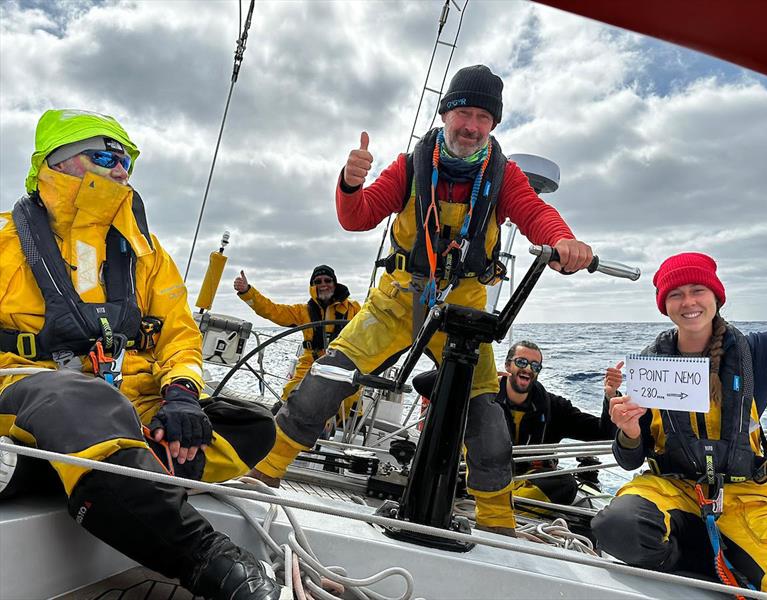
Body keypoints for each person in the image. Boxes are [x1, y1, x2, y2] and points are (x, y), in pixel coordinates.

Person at [256, 64, 594, 536]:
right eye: (463, 113)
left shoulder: (505, 175)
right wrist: (350, 183)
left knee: (484, 415)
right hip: (396, 300)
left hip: (464, 308)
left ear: (493, 125)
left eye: (483, 117)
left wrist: (564, 241)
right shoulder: (411, 165)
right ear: (445, 112)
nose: (472, 127)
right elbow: (357, 218)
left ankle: (498, 525)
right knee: (328, 376)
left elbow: (538, 214)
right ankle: (261, 473)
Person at [0, 109, 280, 599]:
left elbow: (179, 334)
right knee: (79, 400)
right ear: (59, 164)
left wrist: (181, 395)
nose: (121, 168)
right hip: (30, 388)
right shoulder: (5, 243)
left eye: (126, 158)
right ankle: (206, 559)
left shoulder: (146, 254)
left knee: (253, 425)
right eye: (105, 155)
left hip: (128, 404)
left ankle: (85, 472)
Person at [591, 252, 767, 596]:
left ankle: (731, 553)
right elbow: (630, 459)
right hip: (670, 488)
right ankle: (714, 557)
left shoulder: (755, 353)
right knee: (617, 527)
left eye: (697, 290)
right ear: (665, 305)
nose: (688, 302)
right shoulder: (650, 366)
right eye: (676, 294)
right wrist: (628, 431)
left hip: (743, 497)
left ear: (716, 296)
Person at [497, 341, 618, 506]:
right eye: (521, 362)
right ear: (507, 365)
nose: (528, 369)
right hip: (486, 474)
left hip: (530, 481)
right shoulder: (482, 399)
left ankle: (500, 503)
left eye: (535, 366)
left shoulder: (554, 407)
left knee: (564, 484)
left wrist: (611, 397)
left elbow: (603, 433)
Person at [233, 265, 361, 411]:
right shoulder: (303, 311)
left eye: (328, 280)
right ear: (313, 286)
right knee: (291, 394)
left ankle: (346, 426)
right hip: (311, 364)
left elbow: (372, 326)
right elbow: (273, 311)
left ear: (334, 283)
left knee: (349, 401)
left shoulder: (354, 309)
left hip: (344, 365)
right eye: (318, 281)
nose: (323, 284)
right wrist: (247, 292)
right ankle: (279, 423)